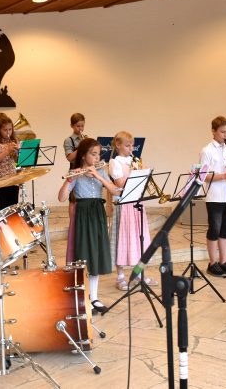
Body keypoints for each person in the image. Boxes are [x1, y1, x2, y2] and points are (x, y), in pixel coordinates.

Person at [58, 137, 119, 314]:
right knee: (84, 256)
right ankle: (83, 297)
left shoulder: (100, 170)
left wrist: (98, 175)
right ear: (84, 156)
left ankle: (94, 297)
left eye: (98, 154)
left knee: (96, 255)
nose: (97, 157)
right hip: (83, 215)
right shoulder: (75, 173)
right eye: (93, 154)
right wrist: (70, 179)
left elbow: (115, 191)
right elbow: (62, 197)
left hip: (97, 214)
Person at [108, 131, 157, 290]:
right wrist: (136, 173)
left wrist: (145, 173)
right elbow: (120, 183)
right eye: (127, 145)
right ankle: (120, 277)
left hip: (137, 202)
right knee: (122, 238)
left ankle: (139, 274)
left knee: (139, 239)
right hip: (124, 204)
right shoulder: (115, 162)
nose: (131, 148)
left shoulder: (134, 160)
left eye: (132, 145)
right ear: (118, 145)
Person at [199, 116, 226, 276]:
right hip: (214, 196)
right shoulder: (206, 151)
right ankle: (212, 263)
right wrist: (224, 175)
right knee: (214, 229)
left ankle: (224, 262)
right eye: (223, 132)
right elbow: (203, 176)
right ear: (213, 131)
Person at [63, 112, 86, 264]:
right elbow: (70, 157)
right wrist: (82, 147)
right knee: (73, 201)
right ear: (72, 126)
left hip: (85, 173)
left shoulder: (85, 137)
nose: (80, 128)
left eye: (82, 126)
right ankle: (73, 228)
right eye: (78, 126)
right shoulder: (69, 140)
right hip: (74, 171)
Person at [0, 113, 20, 209]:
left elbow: (17, 162)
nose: (8, 132)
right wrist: (7, 150)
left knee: (13, 209)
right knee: (1, 209)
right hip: (0, 181)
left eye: (10, 129)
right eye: (5, 130)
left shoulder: (14, 141)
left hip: (13, 180)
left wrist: (18, 152)